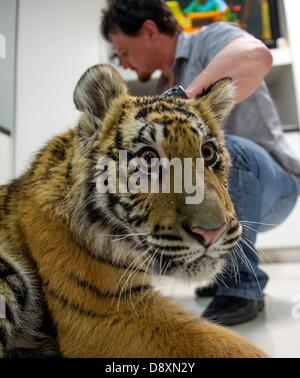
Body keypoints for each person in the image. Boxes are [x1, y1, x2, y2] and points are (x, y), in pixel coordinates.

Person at [100, 0, 300, 325]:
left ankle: (242, 287)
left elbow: (258, 56)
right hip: (231, 198)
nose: (124, 63)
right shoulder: (158, 90)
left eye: (124, 51)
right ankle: (213, 267)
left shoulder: (209, 38)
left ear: (149, 31)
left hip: (275, 186)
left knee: (216, 152)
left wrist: (186, 101)